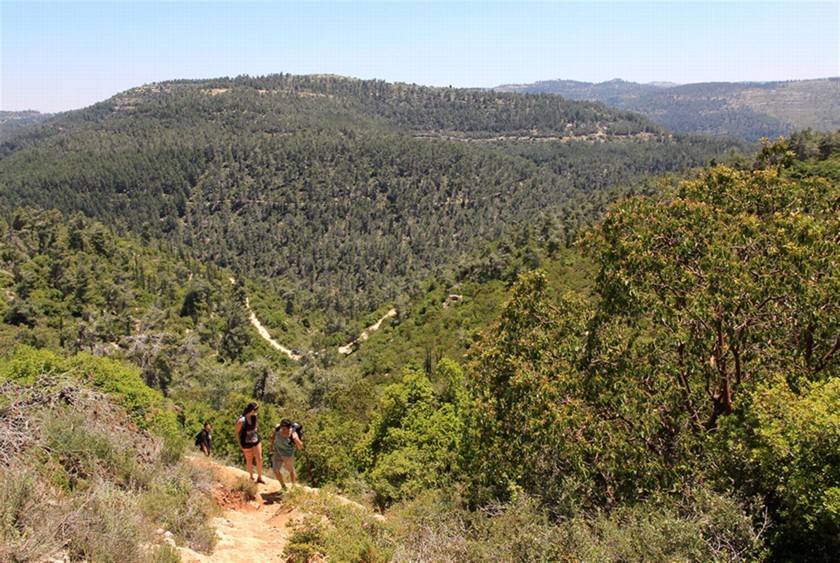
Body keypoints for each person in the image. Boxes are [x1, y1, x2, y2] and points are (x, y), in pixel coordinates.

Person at [235, 402, 265, 483]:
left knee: (259, 458)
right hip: (246, 442)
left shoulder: (254, 417)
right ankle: (251, 477)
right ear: (251, 410)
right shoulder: (241, 420)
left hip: (255, 439)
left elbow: (255, 426)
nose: (256, 411)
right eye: (255, 409)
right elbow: (237, 433)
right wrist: (239, 444)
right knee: (249, 459)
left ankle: (260, 477)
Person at [270, 419, 303, 490]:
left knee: (291, 470)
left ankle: (293, 485)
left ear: (289, 428)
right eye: (282, 428)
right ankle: (283, 486)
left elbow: (300, 446)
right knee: (275, 470)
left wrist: (296, 440)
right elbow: (274, 435)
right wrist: (271, 444)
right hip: (277, 452)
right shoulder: (278, 429)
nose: (282, 430)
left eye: (284, 429)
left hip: (287, 455)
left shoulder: (293, 434)